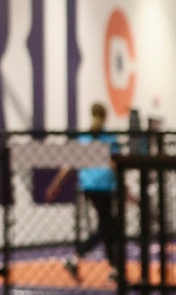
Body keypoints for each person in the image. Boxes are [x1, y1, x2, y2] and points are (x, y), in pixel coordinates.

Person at [45, 102, 121, 281]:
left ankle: (113, 268)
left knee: (108, 226)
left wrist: (56, 185)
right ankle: (76, 257)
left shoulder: (84, 138)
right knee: (107, 227)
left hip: (89, 186)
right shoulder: (108, 139)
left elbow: (68, 165)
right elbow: (115, 164)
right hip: (105, 187)